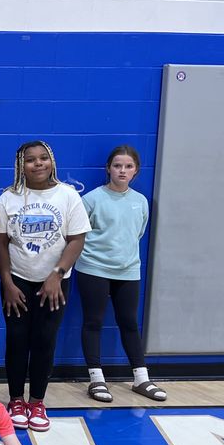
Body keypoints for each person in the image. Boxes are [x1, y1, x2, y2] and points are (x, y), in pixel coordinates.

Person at [0, 140, 90, 432]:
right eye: (31, 160)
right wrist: (7, 282)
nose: (38, 164)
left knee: (45, 341)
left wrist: (57, 275)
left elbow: (76, 239)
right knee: (16, 341)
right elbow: (0, 244)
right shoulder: (9, 198)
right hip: (17, 282)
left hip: (56, 282)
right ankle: (15, 401)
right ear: (20, 166)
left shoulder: (68, 195)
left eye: (43, 158)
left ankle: (36, 401)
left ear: (51, 161)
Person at [78, 145, 165, 403]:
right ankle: (96, 380)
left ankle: (141, 379)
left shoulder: (140, 202)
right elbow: (79, 236)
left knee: (128, 322)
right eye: (117, 165)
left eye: (128, 166)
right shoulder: (92, 199)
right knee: (93, 322)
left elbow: (137, 234)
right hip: (93, 269)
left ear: (136, 170)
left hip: (128, 271)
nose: (122, 170)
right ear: (108, 169)